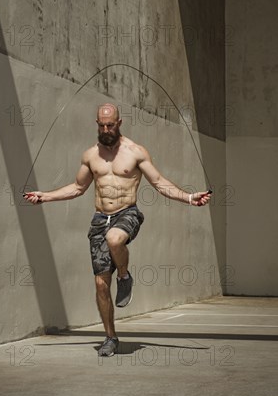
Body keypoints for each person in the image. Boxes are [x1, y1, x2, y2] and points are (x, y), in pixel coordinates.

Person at [24, 103, 211, 357]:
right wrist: (44, 196)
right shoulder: (91, 155)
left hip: (127, 214)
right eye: (101, 125)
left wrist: (189, 198)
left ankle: (124, 277)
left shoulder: (135, 152)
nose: (105, 129)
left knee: (115, 239)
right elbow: (77, 188)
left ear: (119, 123)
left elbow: (159, 183)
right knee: (101, 285)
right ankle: (110, 337)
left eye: (110, 125)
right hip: (101, 219)